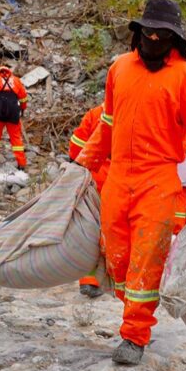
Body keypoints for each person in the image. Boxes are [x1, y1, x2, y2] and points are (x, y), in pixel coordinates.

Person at [76, 0, 186, 365]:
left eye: (161, 35)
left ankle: (134, 335)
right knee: (117, 256)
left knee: (147, 257)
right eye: (147, 32)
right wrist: (83, 164)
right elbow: (107, 124)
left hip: (159, 179)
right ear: (138, 32)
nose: (152, 39)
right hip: (118, 177)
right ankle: (132, 307)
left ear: (174, 39)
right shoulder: (119, 68)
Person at [68, 103, 110, 298]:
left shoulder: (95, 114)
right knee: (113, 230)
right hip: (120, 180)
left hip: (94, 177)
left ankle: (89, 279)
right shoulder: (133, 110)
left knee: (90, 228)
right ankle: (112, 276)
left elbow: (76, 146)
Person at [0, 66, 28, 169]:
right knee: (15, 137)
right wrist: (23, 108)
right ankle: (21, 163)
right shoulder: (16, 80)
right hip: (13, 111)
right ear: (9, 72)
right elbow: (23, 97)